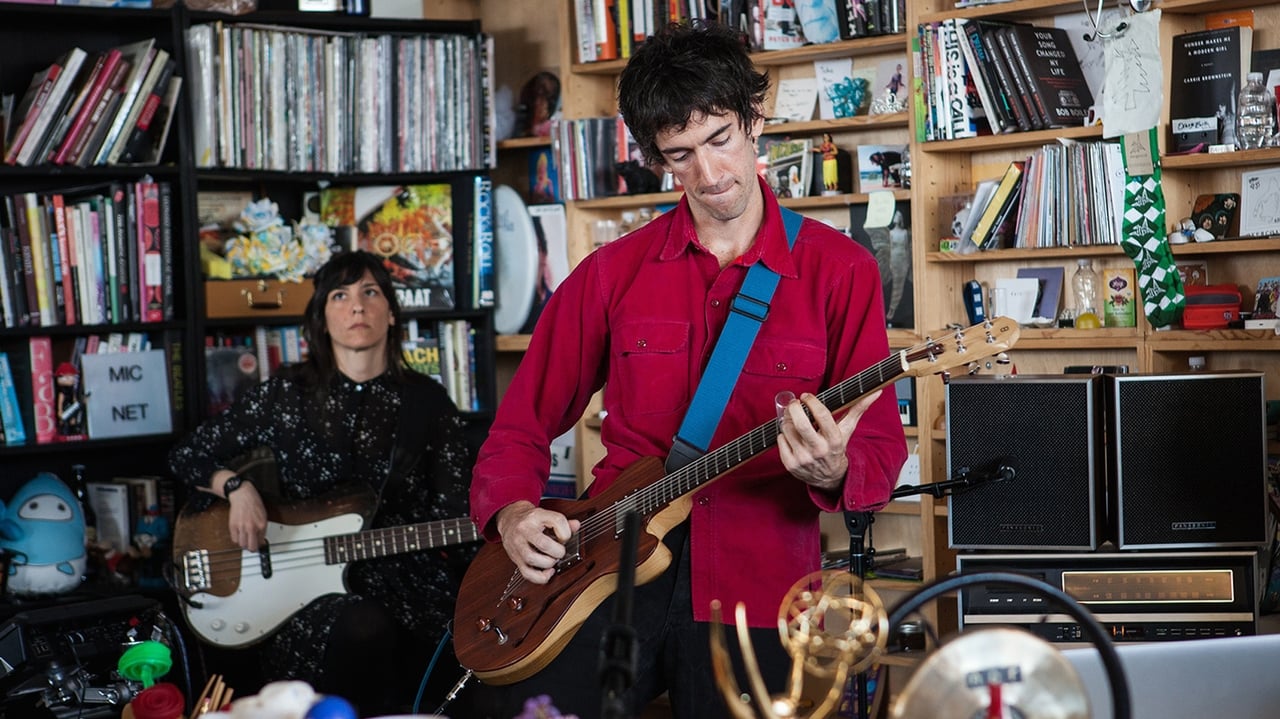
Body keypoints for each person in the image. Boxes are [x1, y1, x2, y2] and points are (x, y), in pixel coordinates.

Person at [466, 22, 907, 719]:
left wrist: (830, 470)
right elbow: (520, 425)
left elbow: (879, 447)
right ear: (655, 158)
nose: (709, 175)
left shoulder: (840, 270)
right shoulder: (611, 273)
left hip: (760, 590)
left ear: (755, 121)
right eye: (680, 155)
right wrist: (513, 511)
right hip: (607, 577)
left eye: (720, 139)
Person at [169, 250, 477, 716]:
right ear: (321, 317)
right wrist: (236, 489)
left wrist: (506, 544)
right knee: (361, 627)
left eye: (370, 292)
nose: (357, 307)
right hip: (299, 587)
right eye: (341, 295)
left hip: (405, 576)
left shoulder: (427, 401)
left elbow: (456, 511)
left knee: (470, 640)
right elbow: (186, 454)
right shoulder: (286, 394)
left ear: (391, 313)